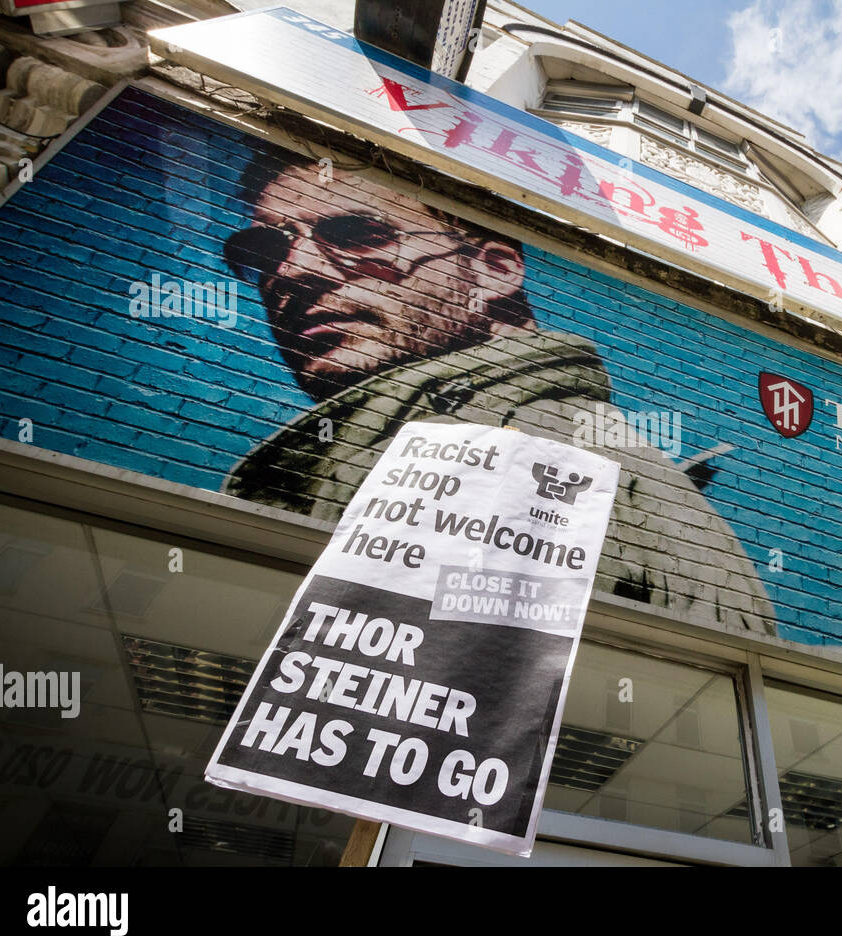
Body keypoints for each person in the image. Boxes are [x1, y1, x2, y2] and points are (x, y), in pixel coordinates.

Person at [221, 154, 776, 640]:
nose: (291, 272)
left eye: (357, 235)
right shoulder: (439, 442)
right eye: (266, 250)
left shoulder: (533, 452)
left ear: (494, 271)